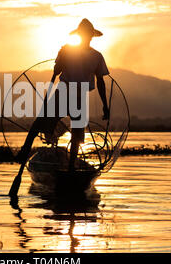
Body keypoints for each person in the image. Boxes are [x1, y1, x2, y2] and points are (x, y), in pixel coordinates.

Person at [16, 18, 110, 171]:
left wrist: (105, 106)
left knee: (77, 136)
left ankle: (71, 168)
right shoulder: (68, 50)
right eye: (84, 34)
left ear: (91, 36)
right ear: (80, 35)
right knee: (40, 123)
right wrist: (61, 57)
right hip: (63, 92)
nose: (86, 37)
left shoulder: (96, 56)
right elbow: (57, 71)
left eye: (88, 35)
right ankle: (24, 151)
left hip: (79, 97)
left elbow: (100, 82)